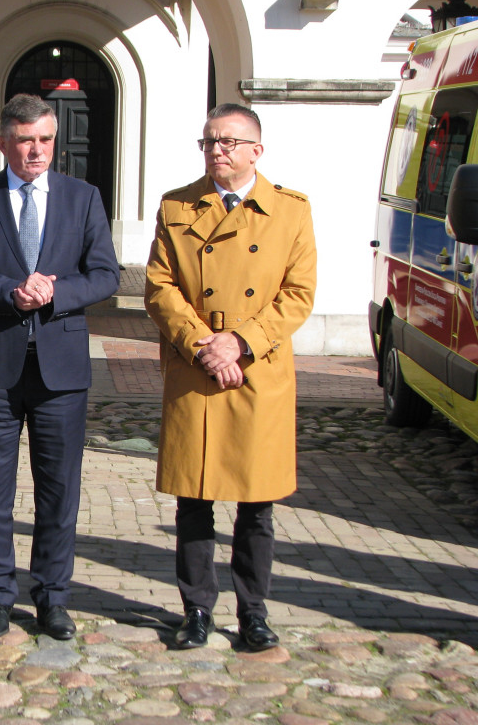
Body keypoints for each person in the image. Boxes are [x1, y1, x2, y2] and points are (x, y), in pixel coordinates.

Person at [0, 94, 119, 641]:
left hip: (60, 370)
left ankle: (52, 597)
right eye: (24, 141)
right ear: (4, 144)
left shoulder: (83, 197)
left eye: (44, 139)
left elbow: (106, 275)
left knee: (58, 489)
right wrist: (8, 292)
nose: (35, 150)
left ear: (54, 141)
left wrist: (55, 292)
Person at [144, 103, 317, 652]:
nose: (216, 150)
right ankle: (195, 610)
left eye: (228, 142)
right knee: (194, 499)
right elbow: (160, 285)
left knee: (255, 503)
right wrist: (203, 344)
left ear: (256, 151)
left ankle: (254, 614)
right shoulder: (177, 204)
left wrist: (239, 343)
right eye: (209, 142)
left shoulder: (291, 211)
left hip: (254, 371)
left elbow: (299, 294)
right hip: (198, 368)